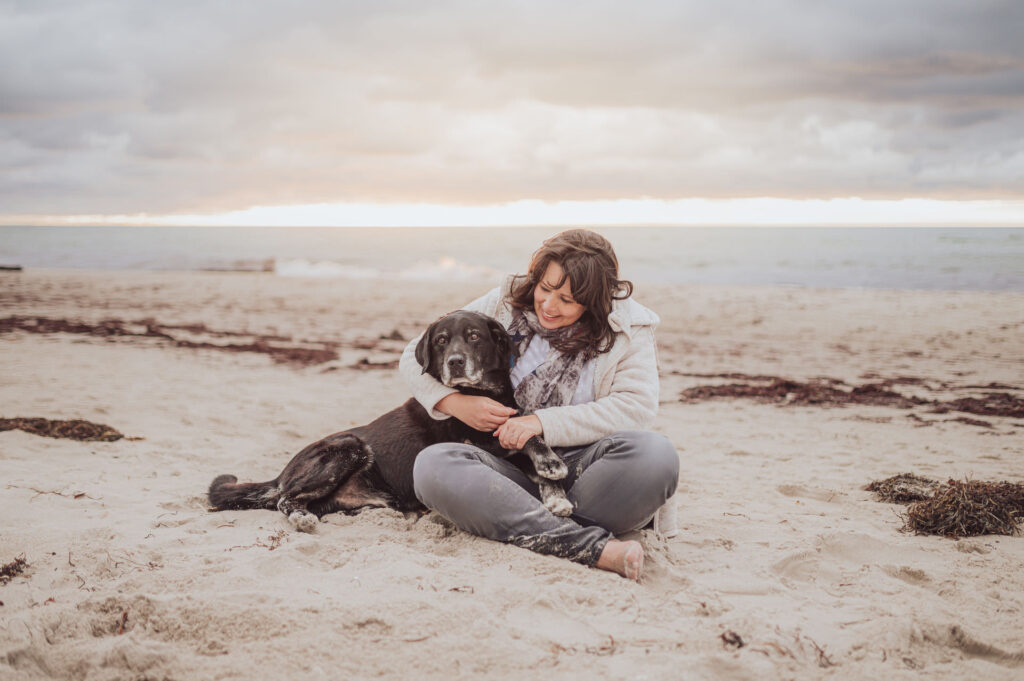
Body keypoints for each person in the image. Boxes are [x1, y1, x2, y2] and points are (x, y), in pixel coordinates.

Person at [399, 229, 679, 581]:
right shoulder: (504, 303)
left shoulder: (628, 329)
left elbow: (634, 407)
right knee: (433, 465)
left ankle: (516, 520)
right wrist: (454, 403)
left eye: (567, 299)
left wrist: (539, 423)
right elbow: (414, 354)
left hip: (588, 476)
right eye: (545, 289)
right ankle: (588, 545)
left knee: (656, 454)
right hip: (510, 472)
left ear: (593, 300)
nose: (548, 305)